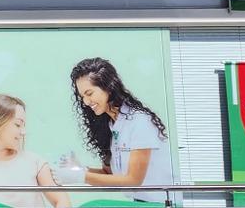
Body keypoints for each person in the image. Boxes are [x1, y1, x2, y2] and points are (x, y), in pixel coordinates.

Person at [70, 57, 173, 194]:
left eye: (89, 93)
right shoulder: (111, 124)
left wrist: (81, 176)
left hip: (160, 204)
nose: (86, 102)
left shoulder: (139, 121)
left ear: (108, 87)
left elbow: (133, 181)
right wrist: (78, 170)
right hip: (136, 204)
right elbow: (109, 174)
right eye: (82, 96)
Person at [0, 94, 66, 208]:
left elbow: (62, 201)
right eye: (18, 124)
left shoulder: (35, 163)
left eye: (23, 125)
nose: (23, 132)